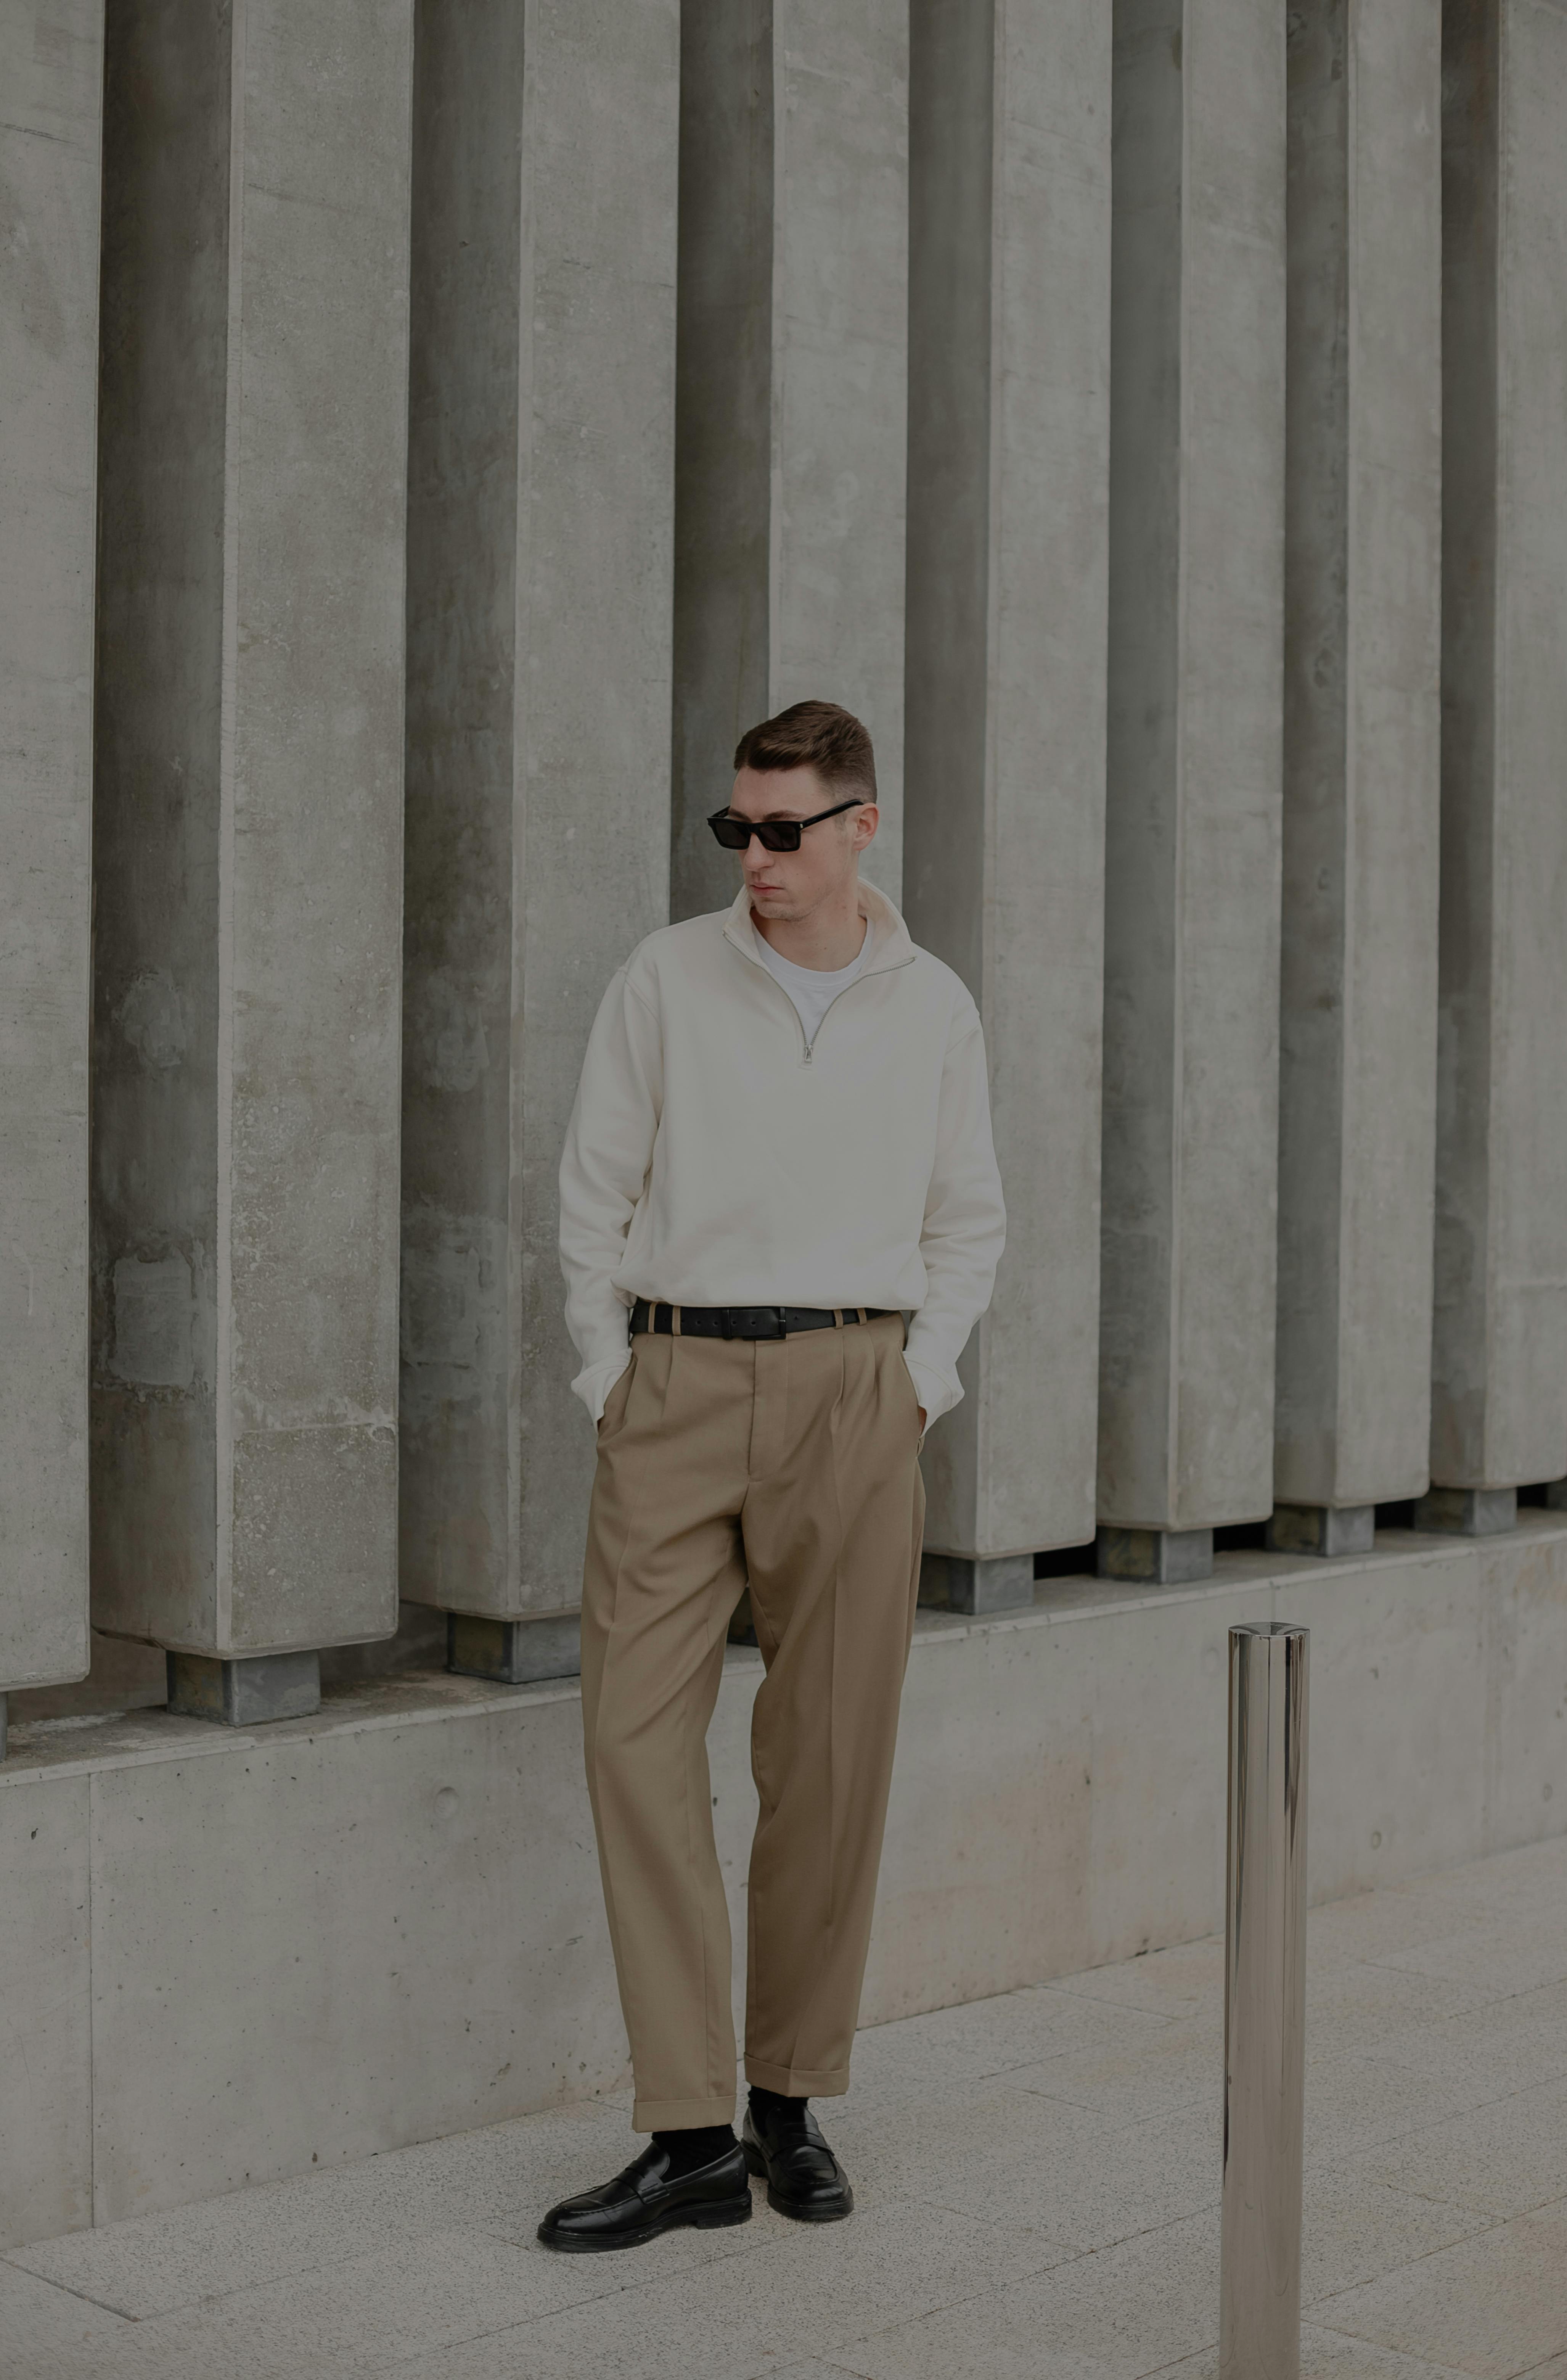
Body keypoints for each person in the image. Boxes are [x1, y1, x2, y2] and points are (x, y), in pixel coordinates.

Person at [540, 698, 1006, 2252]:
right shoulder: (665, 979)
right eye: (735, 828)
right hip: (671, 1382)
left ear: (859, 825)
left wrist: (914, 1385)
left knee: (827, 1758)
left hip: (852, 1395)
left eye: (784, 830)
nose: (755, 858)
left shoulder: (932, 1005)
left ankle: (785, 2104)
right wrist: (612, 1380)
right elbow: (592, 1189)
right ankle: (683, 2133)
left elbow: (968, 1220)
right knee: (631, 1741)